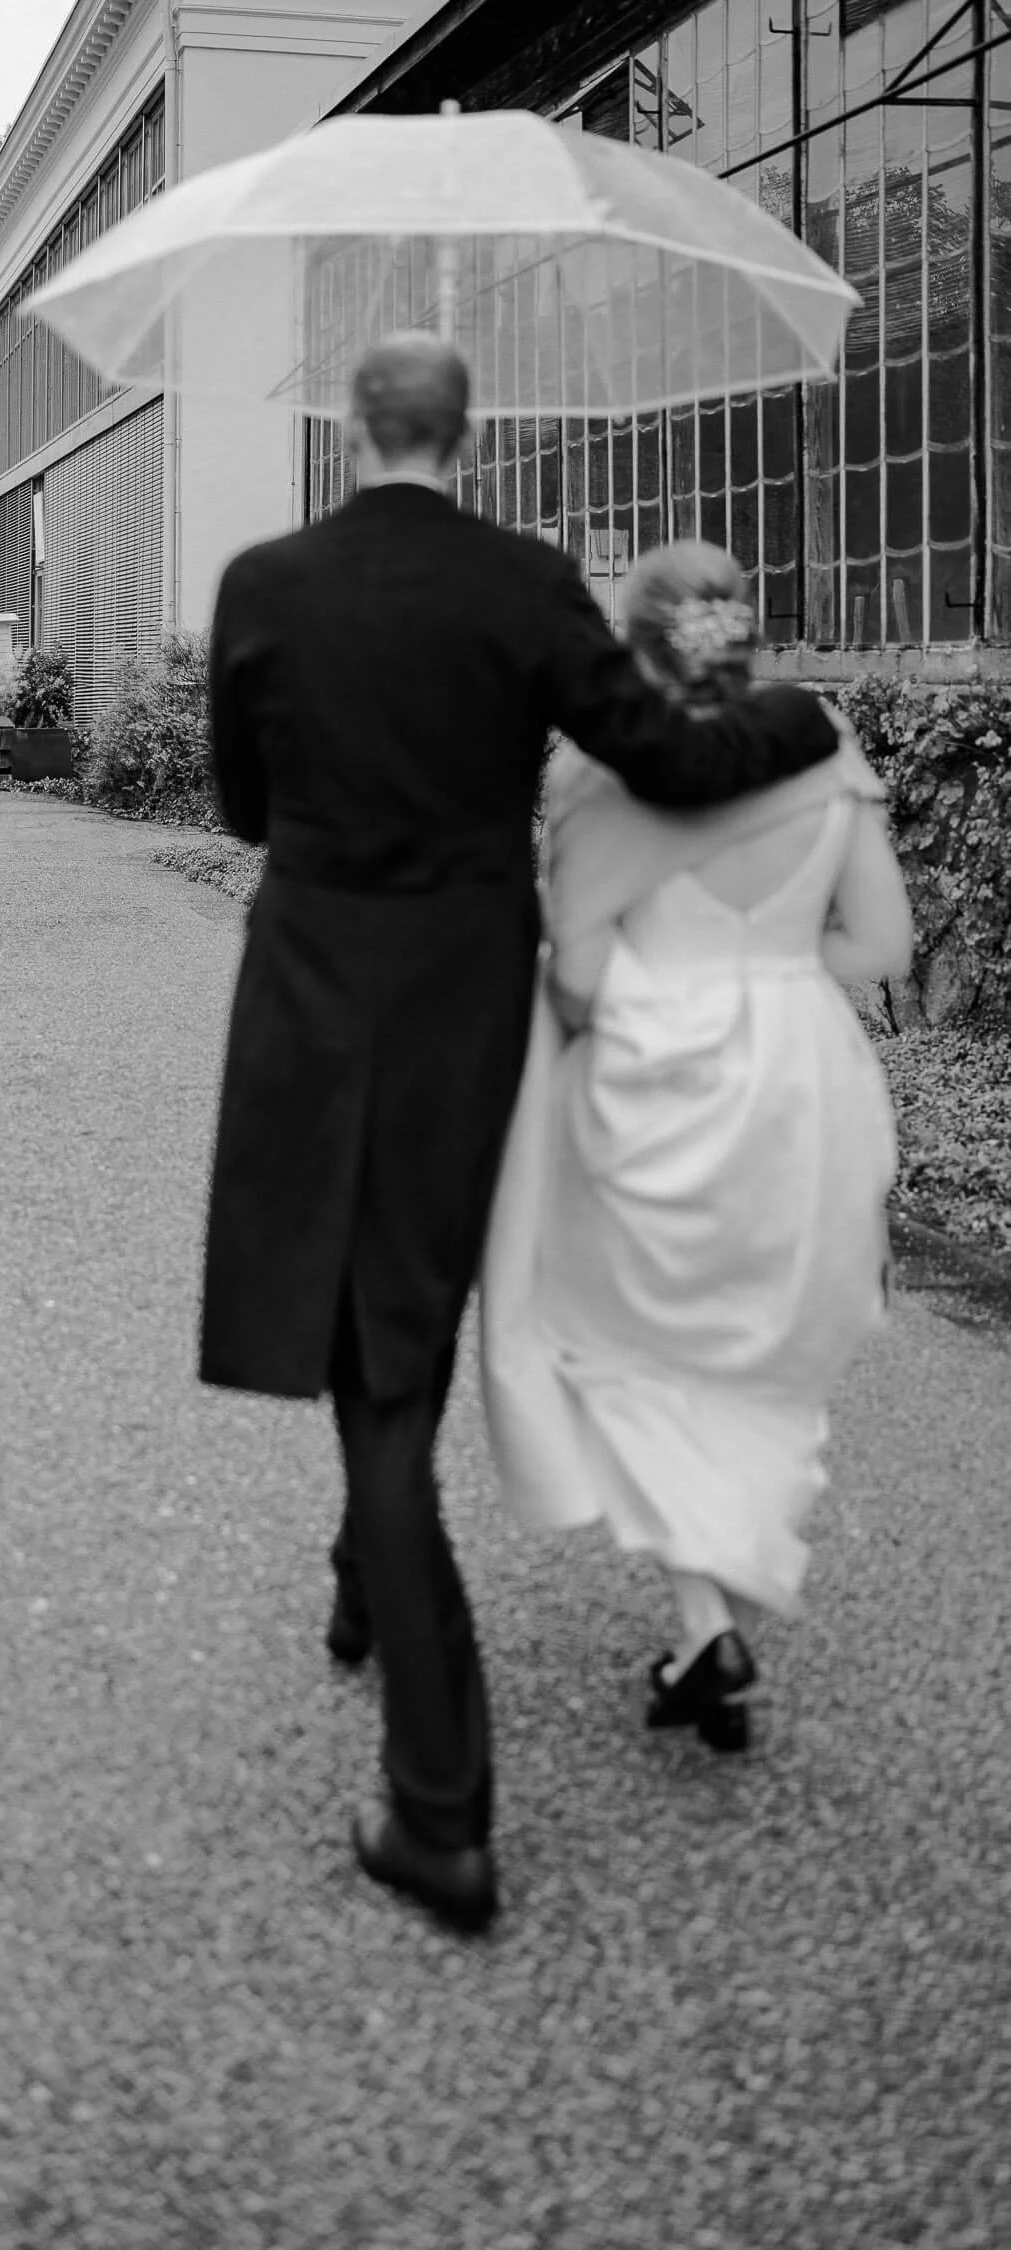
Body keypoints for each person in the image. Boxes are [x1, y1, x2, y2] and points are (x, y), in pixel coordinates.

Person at [200, 336, 846, 1934]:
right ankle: (368, 1581)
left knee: (381, 1377)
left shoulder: (264, 581)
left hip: (308, 1001)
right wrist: (810, 719)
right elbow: (673, 757)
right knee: (399, 1321)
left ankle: (443, 1810)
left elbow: (236, 810)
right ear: (467, 435)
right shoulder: (527, 579)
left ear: (355, 428)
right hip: (461, 1016)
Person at [480, 541, 913, 1753]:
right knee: (758, 1339)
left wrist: (663, 996)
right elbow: (880, 942)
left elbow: (579, 970)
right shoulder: (822, 740)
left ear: (635, 644)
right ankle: (706, 1612)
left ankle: (706, 1615)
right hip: (801, 1080)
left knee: (621, 1339)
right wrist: (773, 983)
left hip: (647, 1071)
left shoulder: (595, 774)